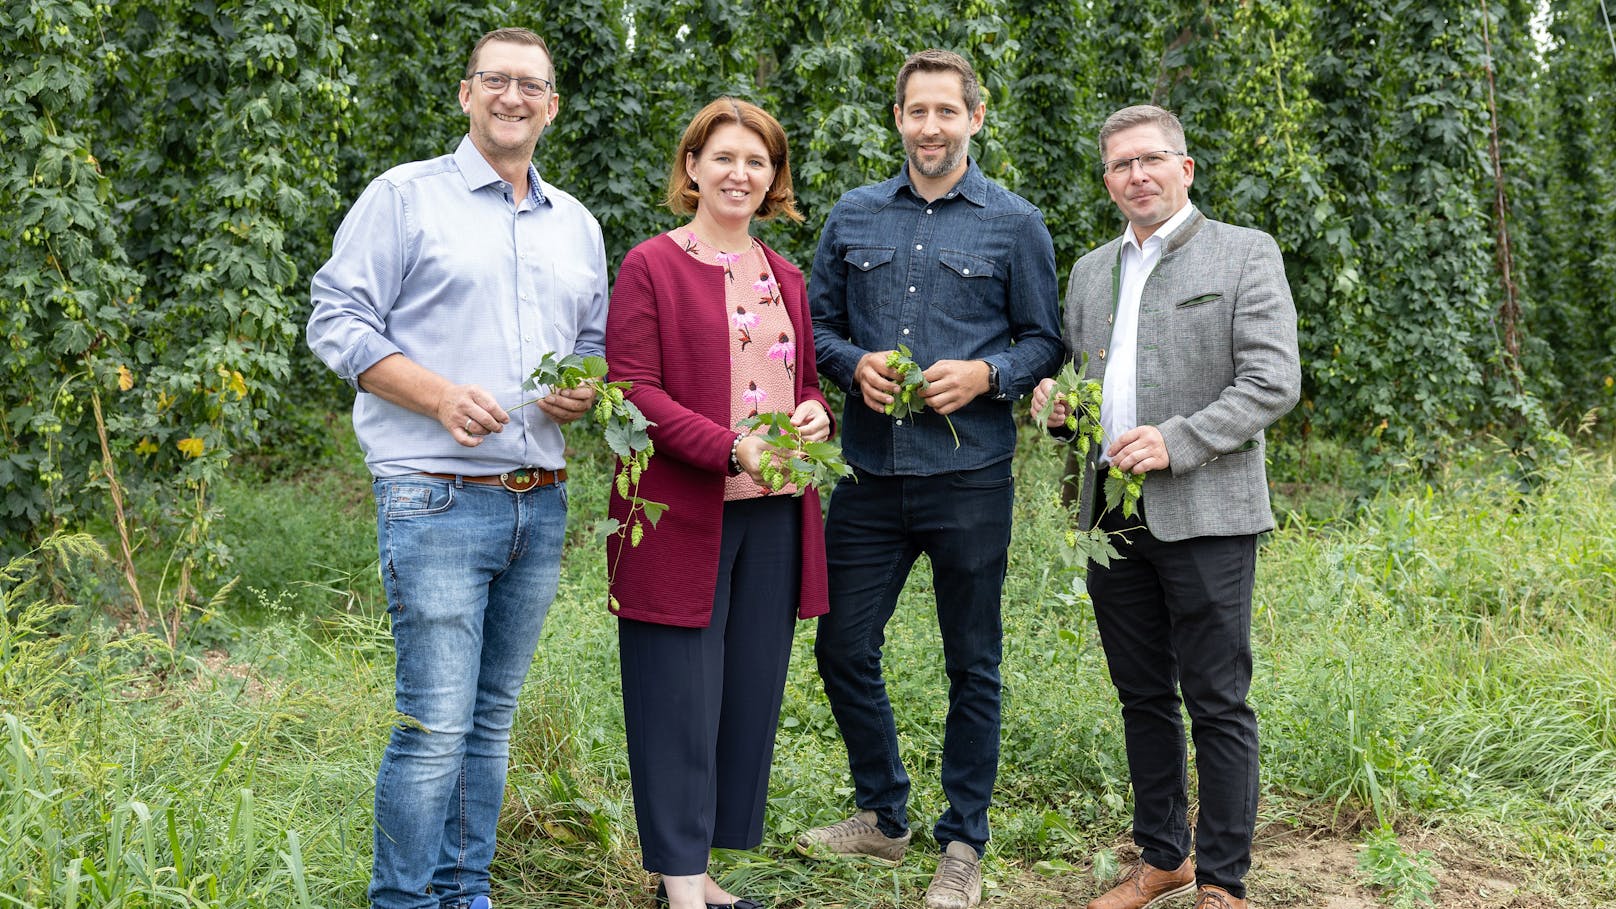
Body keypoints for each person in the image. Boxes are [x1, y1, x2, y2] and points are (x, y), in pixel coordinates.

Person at [306, 27, 606, 909]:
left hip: (539, 502)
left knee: (488, 723)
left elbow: (591, 345)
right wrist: (436, 395)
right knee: (435, 725)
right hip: (433, 495)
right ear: (467, 94)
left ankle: (464, 891)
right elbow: (336, 320)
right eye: (496, 81)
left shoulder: (577, 225)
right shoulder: (404, 199)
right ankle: (401, 901)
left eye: (532, 86)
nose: (513, 97)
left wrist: (581, 392)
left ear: (552, 106)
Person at [801, 48, 1063, 909]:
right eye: (916, 111)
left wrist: (989, 377)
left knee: (972, 662)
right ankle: (883, 814)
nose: (930, 127)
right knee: (841, 644)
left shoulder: (1015, 224)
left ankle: (963, 843)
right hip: (870, 474)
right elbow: (818, 327)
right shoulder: (854, 215)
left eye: (946, 111)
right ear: (899, 119)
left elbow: (1042, 341)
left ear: (974, 119)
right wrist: (851, 365)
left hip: (970, 476)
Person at [1030, 104, 1301, 909]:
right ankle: (1163, 856)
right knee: (1142, 693)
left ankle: (1222, 879)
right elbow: (1087, 386)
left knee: (1217, 697)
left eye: (1151, 159)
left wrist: (1178, 440)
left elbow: (1271, 380)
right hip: (1111, 519)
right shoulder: (1087, 272)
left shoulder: (1243, 253)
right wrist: (1060, 409)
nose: (1136, 175)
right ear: (1108, 180)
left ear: (1185, 168)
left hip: (1209, 511)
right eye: (1120, 165)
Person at [604, 97, 834, 909]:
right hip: (680, 514)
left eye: (758, 161)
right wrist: (730, 445)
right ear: (693, 166)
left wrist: (816, 411)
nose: (741, 173)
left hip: (772, 514)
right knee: (676, 697)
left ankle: (696, 871)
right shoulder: (652, 266)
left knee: (743, 694)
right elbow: (633, 390)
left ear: (774, 179)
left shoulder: (785, 275)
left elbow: (798, 382)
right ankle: (680, 886)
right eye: (725, 157)